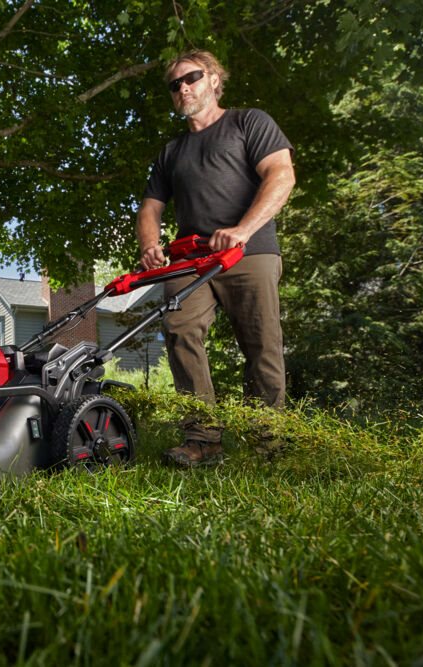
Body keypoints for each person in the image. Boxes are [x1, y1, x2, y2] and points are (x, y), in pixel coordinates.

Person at [136, 50, 296, 467]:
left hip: (250, 250)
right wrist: (150, 244)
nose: (183, 87)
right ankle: (203, 440)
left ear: (213, 80)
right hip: (192, 260)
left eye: (191, 77)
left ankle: (269, 444)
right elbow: (150, 207)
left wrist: (243, 229)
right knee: (179, 328)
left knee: (262, 344)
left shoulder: (249, 122)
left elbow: (281, 174)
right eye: (175, 84)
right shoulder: (172, 152)